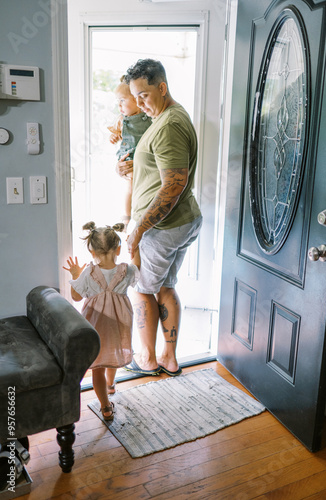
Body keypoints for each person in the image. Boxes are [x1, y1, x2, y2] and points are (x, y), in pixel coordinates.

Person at [116, 59, 202, 378]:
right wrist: (131, 168)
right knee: (165, 285)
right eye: (134, 97)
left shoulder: (167, 125)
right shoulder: (167, 116)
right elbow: (161, 170)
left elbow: (173, 185)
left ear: (162, 88)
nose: (139, 103)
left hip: (162, 227)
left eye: (144, 95)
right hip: (179, 222)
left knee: (140, 288)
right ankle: (169, 357)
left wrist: (138, 228)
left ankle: (148, 359)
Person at [63, 221, 140, 421]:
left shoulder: (88, 272)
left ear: (92, 252)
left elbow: (76, 297)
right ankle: (111, 385)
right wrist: (136, 246)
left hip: (95, 325)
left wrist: (75, 274)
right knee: (114, 352)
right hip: (119, 323)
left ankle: (105, 408)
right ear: (119, 249)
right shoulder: (127, 270)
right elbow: (138, 269)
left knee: (98, 365)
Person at [108, 76, 152, 239]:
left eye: (122, 100)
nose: (119, 105)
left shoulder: (149, 118)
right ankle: (126, 220)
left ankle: (136, 218)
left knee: (140, 186)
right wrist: (115, 137)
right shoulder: (122, 119)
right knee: (132, 185)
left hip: (142, 159)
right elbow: (117, 134)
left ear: (136, 99)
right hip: (128, 156)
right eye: (117, 101)